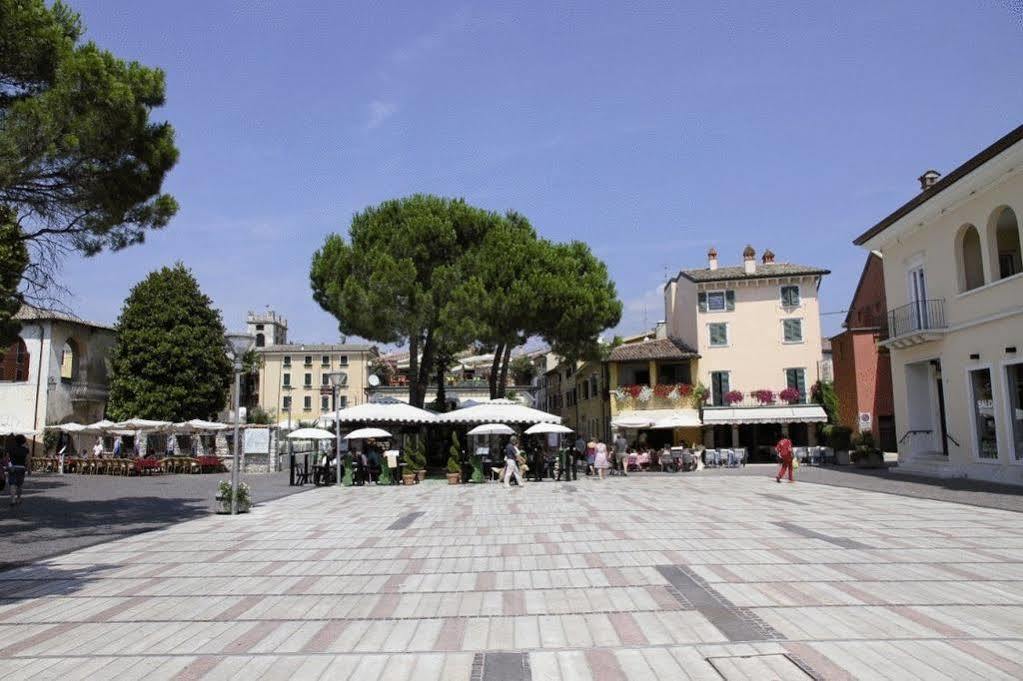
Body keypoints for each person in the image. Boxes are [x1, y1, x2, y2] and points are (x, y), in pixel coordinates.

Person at [6, 434, 29, 506]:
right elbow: (27, 460)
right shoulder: (25, 450)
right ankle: (18, 499)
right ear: (23, 441)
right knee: (19, 485)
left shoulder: (11, 448)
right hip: (21, 468)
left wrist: (10, 466)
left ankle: (13, 500)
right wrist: (29, 469)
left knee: (12, 484)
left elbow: (7, 459)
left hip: (13, 467)